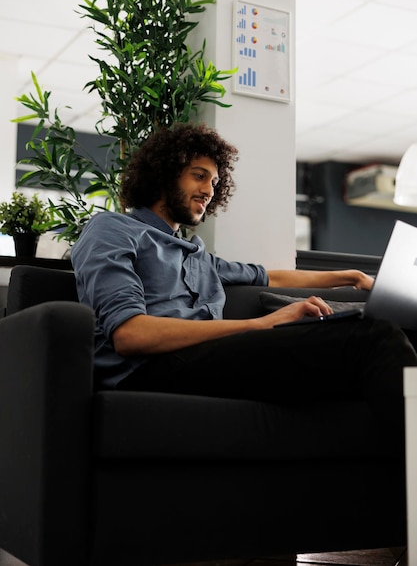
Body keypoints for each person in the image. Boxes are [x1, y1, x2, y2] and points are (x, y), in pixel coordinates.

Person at [71, 122, 416, 445]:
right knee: (372, 338)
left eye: (215, 182)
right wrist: (260, 324)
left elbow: (273, 275)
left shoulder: (200, 257)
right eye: (198, 176)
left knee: (387, 336)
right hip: (149, 372)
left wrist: (351, 277)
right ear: (163, 175)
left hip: (209, 362)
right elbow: (131, 335)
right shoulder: (113, 230)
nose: (208, 190)